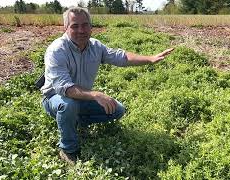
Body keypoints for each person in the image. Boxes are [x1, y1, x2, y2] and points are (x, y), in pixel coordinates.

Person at [41, 7, 174, 165]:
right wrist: (95, 95)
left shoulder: (96, 46)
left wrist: (150, 59)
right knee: (67, 104)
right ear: (66, 28)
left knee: (117, 110)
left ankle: (76, 121)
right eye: (74, 26)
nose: (81, 30)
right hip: (54, 99)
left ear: (91, 27)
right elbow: (65, 88)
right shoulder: (57, 50)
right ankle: (68, 148)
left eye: (85, 25)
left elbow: (121, 57)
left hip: (81, 98)